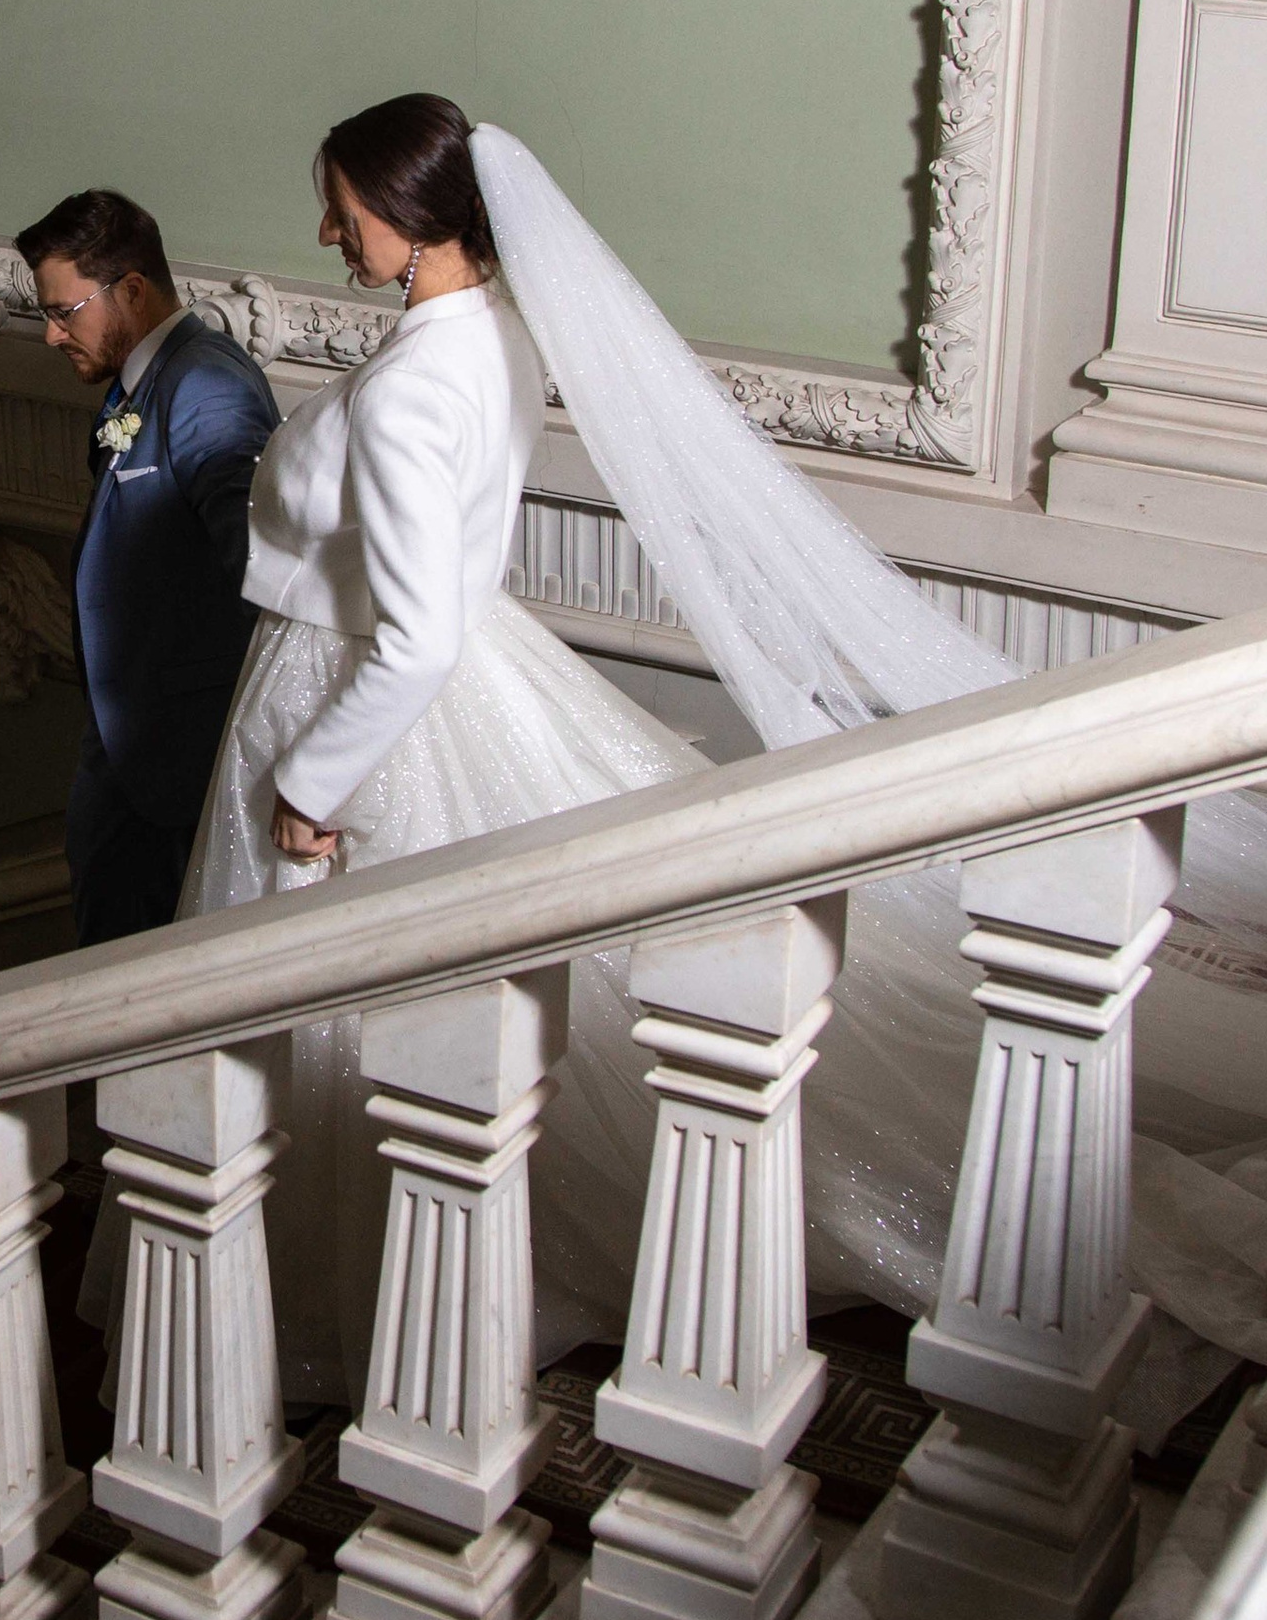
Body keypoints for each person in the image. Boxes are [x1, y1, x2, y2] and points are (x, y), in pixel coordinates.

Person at [181, 93, 1267, 1417]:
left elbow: (413, 639)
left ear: (409, 218)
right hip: (454, 677)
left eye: (342, 208)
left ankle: (339, 1306)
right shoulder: (485, 335)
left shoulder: (417, 385)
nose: (327, 231)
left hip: (372, 711)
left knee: (363, 1004)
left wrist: (312, 782)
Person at [18, 189, 280, 945]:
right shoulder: (149, 381)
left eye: (64, 311)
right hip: (133, 754)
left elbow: (261, 571)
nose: (50, 334)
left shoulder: (205, 389)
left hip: (174, 770)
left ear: (131, 290)